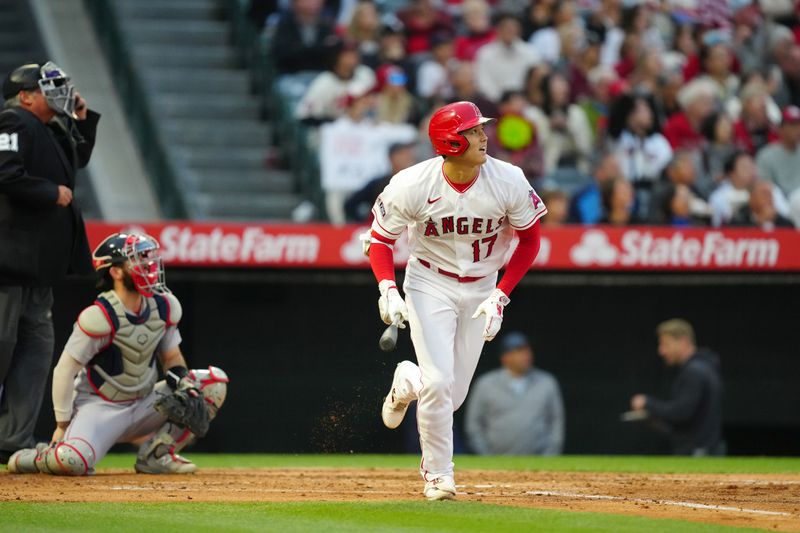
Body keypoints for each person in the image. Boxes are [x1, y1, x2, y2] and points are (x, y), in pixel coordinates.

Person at [366, 101, 547, 500]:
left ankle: (406, 381)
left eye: (482, 129)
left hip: (483, 285)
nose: (484, 137)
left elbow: (530, 240)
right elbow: (380, 240)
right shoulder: (412, 183)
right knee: (439, 383)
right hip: (430, 282)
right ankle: (438, 476)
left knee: (450, 396)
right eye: (473, 131)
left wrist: (501, 295)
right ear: (451, 142)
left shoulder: (509, 179)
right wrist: (388, 288)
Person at [7, 233, 229, 475]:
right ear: (115, 272)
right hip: (100, 408)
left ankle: (157, 455)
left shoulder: (165, 305)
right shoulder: (98, 316)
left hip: (146, 402)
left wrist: (183, 382)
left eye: (148, 258)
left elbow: (172, 357)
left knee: (212, 382)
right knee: (69, 461)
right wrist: (62, 425)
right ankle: (35, 457)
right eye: (138, 259)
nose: (148, 265)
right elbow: (64, 371)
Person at [0, 62, 100, 464]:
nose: (60, 92)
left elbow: (79, 158)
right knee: (4, 348)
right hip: (9, 263)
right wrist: (48, 192)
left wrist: (82, 119)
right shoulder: (13, 120)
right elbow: (4, 171)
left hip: (37, 267)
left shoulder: (49, 128)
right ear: (25, 95)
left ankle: (12, 439)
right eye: (50, 87)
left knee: (35, 352)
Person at [629, 319, 723, 456]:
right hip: (704, 448)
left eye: (665, 344)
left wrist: (647, 403)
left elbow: (682, 412)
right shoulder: (705, 367)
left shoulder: (694, 371)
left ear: (683, 342)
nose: (661, 351)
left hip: (697, 452)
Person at [465, 332, 564, 455]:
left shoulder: (547, 382)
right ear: (505, 357)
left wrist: (549, 457)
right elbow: (474, 426)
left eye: (527, 349)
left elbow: (556, 424)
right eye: (518, 350)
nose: (526, 355)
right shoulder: (485, 384)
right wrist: (486, 457)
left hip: (539, 460)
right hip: (495, 460)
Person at [344, 142, 417, 222]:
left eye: (409, 155)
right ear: (392, 157)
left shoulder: (417, 183)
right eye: (403, 155)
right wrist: (363, 223)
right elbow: (351, 204)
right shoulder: (378, 184)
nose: (408, 158)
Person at [755, 105, 800, 199]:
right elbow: (765, 190)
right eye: (793, 125)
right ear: (781, 129)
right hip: (781, 206)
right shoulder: (766, 155)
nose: (798, 129)